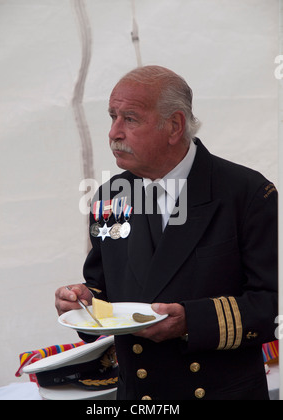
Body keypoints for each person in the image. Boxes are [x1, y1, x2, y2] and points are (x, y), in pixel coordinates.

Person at [55, 65, 278, 400]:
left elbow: (273, 302)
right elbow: (104, 287)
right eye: (112, 116)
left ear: (175, 126)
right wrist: (82, 302)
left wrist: (192, 321)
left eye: (130, 119)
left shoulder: (247, 193)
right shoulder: (110, 196)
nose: (114, 132)